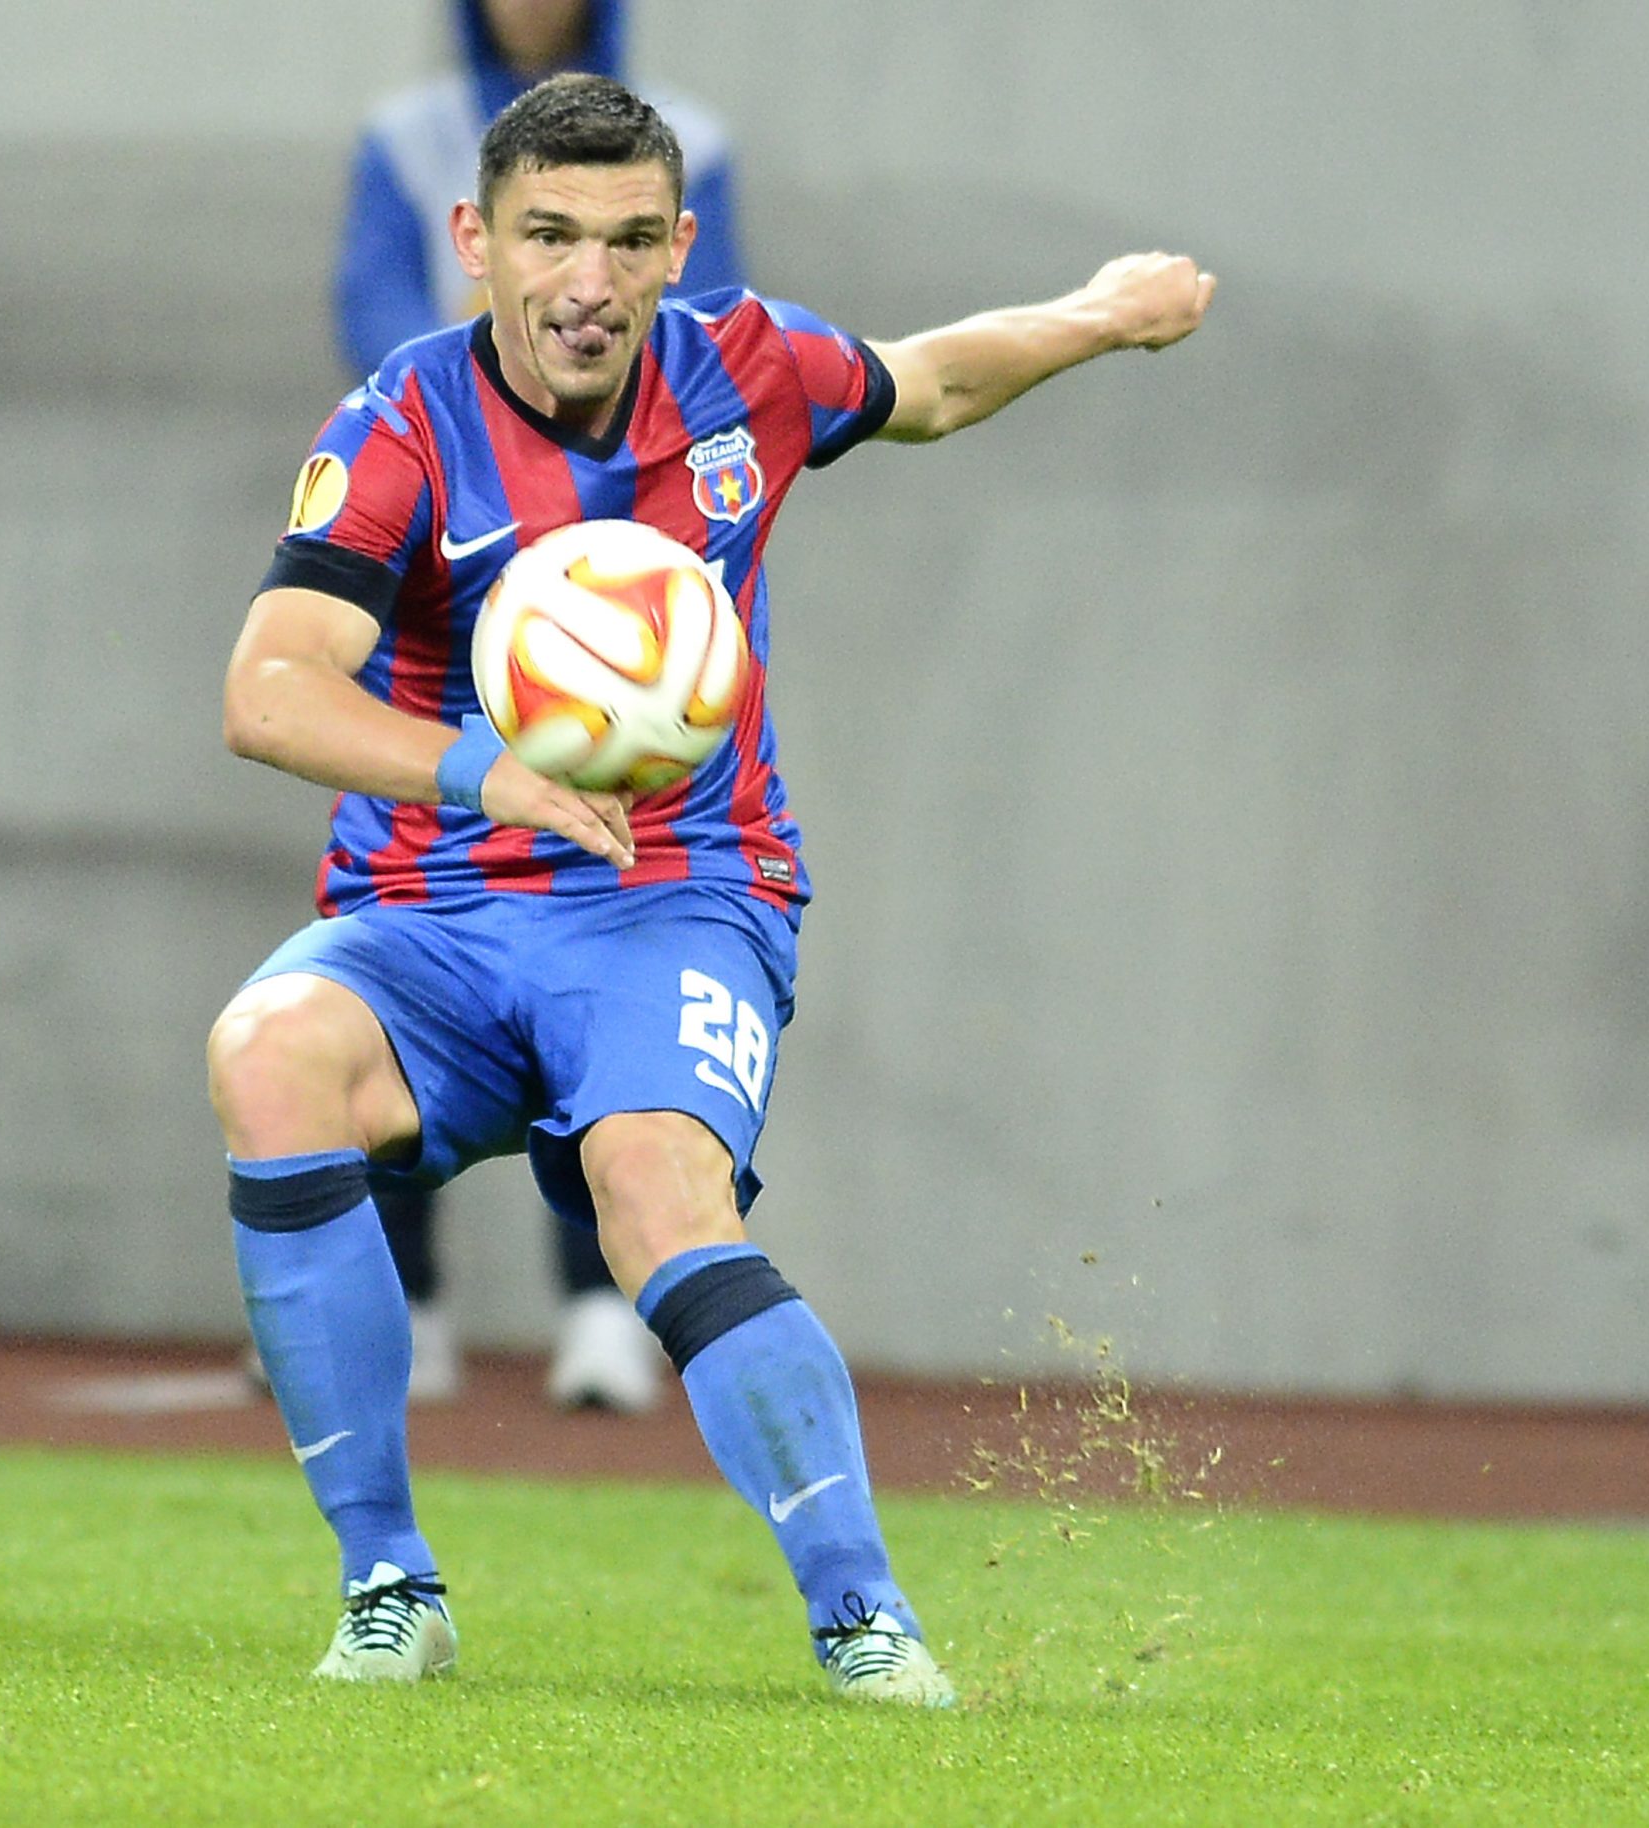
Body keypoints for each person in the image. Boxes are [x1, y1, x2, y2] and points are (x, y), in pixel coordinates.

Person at [209, 74, 1213, 1704]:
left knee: (657, 1186)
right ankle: (390, 1584)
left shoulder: (747, 368)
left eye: (626, 241)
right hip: (431, 918)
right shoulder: (398, 426)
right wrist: (487, 773)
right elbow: (268, 693)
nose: (585, 282)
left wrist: (1099, 316)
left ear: (678, 247)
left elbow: (935, 382)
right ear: (475, 240)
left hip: (677, 897)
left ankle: (865, 1619)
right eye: (547, 235)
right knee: (266, 1055)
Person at [332, 0, 749, 1412]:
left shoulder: (690, 139)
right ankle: (408, 1304)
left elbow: (711, 343)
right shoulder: (407, 137)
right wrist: (484, 436)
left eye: (623, 238)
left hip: (617, 611)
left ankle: (600, 1305)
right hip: (443, 587)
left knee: (606, 955)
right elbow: (370, 318)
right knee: (404, 936)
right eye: (547, 232)